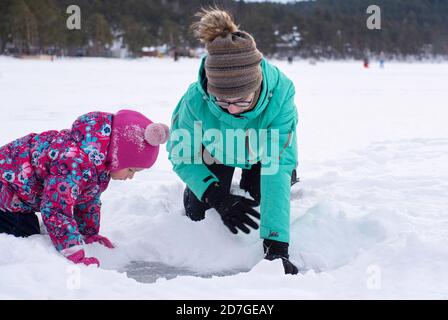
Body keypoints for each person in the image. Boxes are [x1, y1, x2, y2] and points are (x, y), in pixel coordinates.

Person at [167, 9, 299, 274]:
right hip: (216, 152)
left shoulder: (281, 95)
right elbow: (181, 154)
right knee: (199, 211)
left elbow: (277, 165)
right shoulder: (195, 100)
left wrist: (276, 247)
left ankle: (254, 175)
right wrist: (217, 196)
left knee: (267, 191)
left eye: (241, 100)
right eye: (222, 102)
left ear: (258, 85)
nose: (232, 110)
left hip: (259, 154)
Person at [0, 110, 169, 267]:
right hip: (5, 187)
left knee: (37, 231)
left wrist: (88, 234)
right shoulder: (73, 161)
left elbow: (87, 199)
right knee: (26, 239)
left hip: (20, 194)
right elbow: (55, 207)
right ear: (119, 156)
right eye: (131, 169)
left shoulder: (97, 163)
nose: (131, 176)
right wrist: (73, 251)